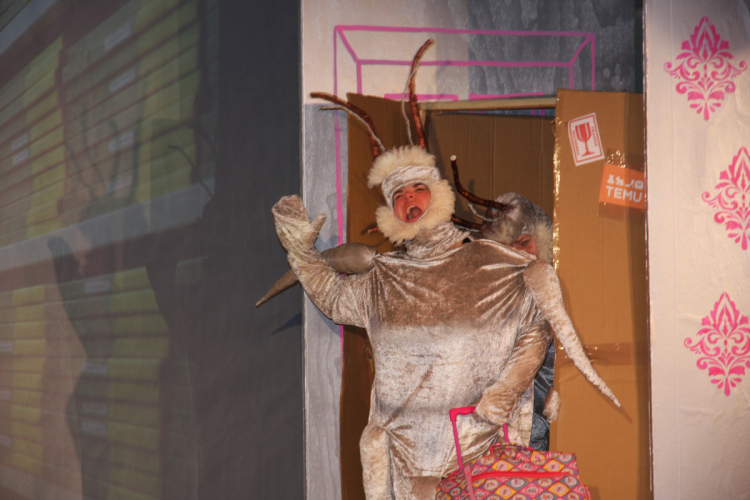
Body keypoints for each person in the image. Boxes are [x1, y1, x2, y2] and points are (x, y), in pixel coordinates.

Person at [271, 145, 618, 500]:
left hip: (476, 455)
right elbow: (332, 297)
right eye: (398, 196)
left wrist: (507, 389)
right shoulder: (382, 279)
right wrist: (300, 251)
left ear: (437, 194)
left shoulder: (493, 263)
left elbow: (538, 324)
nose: (408, 199)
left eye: (417, 188)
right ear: (391, 213)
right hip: (402, 460)